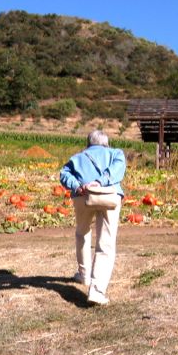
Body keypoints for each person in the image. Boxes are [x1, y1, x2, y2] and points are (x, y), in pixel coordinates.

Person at [59, 130, 126, 305]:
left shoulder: (77, 157)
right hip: (109, 197)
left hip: (83, 196)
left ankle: (84, 275)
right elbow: (118, 169)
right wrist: (102, 181)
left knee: (82, 233)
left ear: (88, 144)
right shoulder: (115, 153)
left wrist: (78, 186)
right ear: (106, 143)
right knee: (106, 242)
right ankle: (97, 291)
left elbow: (64, 174)